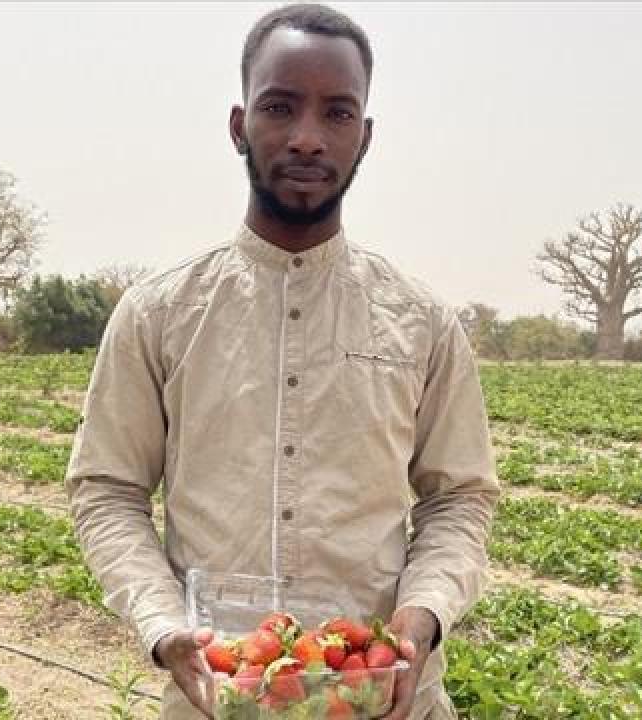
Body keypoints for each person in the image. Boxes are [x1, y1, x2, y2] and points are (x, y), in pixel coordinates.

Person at [66, 4, 500, 718]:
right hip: (218, 696)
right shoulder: (161, 312)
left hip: (384, 696)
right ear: (240, 125)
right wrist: (162, 624)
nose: (307, 137)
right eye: (280, 106)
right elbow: (108, 487)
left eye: (336, 113)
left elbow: (459, 497)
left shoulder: (421, 322)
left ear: (364, 137)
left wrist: (422, 616)